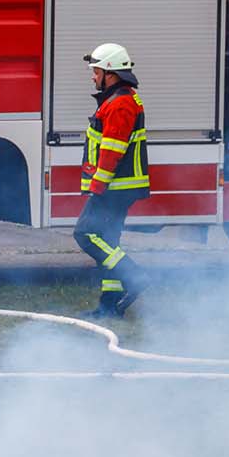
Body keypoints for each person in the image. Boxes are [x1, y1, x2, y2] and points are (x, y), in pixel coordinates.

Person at [73, 43, 151, 319]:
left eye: (95, 71)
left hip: (114, 188)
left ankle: (134, 275)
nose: (93, 77)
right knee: (108, 241)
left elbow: (112, 150)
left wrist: (97, 186)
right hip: (116, 187)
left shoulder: (120, 104)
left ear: (110, 72)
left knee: (86, 234)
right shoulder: (119, 99)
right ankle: (109, 306)